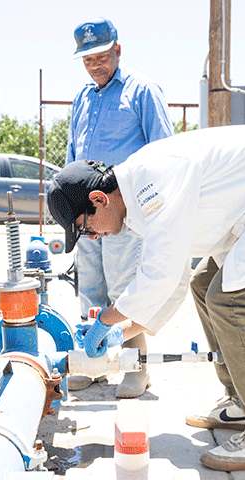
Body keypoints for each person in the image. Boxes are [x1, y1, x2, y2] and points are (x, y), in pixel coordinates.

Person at [47, 124, 245, 471]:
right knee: (205, 284)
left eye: (85, 227)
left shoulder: (151, 180)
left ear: (100, 199)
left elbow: (160, 275)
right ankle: (240, 401)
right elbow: (173, 282)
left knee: (229, 300)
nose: (93, 238)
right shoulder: (139, 203)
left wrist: (106, 320)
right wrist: (119, 334)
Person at [65, 17, 174, 398]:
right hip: (88, 213)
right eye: (87, 59)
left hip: (125, 214)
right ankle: (93, 364)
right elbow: (73, 157)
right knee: (90, 287)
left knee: (126, 290)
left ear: (118, 50)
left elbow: (165, 152)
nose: (95, 65)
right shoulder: (83, 98)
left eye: (101, 56)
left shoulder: (142, 91)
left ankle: (135, 370)